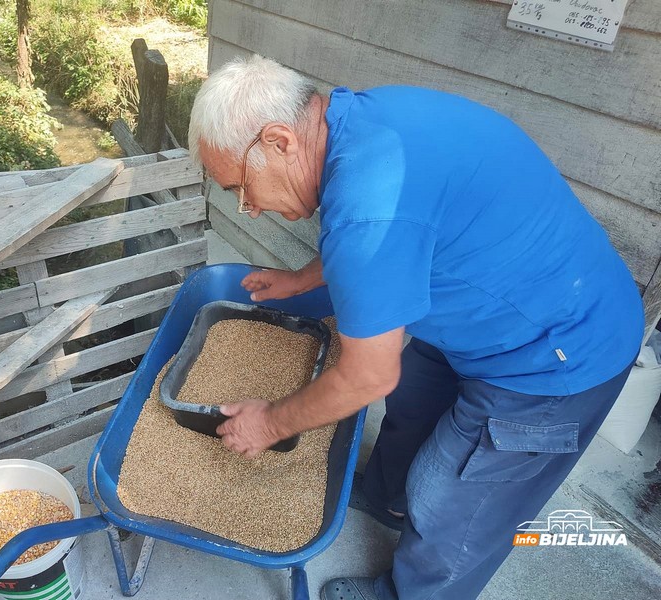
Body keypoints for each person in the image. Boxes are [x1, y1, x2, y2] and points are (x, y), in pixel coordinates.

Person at [187, 55, 644, 600]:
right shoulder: (361, 119)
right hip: (492, 298)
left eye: (240, 186)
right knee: (413, 399)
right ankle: (385, 498)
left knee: (454, 508)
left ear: (280, 140)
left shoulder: (366, 210)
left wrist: (268, 425)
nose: (249, 208)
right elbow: (395, 237)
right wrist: (305, 278)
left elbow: (365, 377)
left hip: (557, 350)